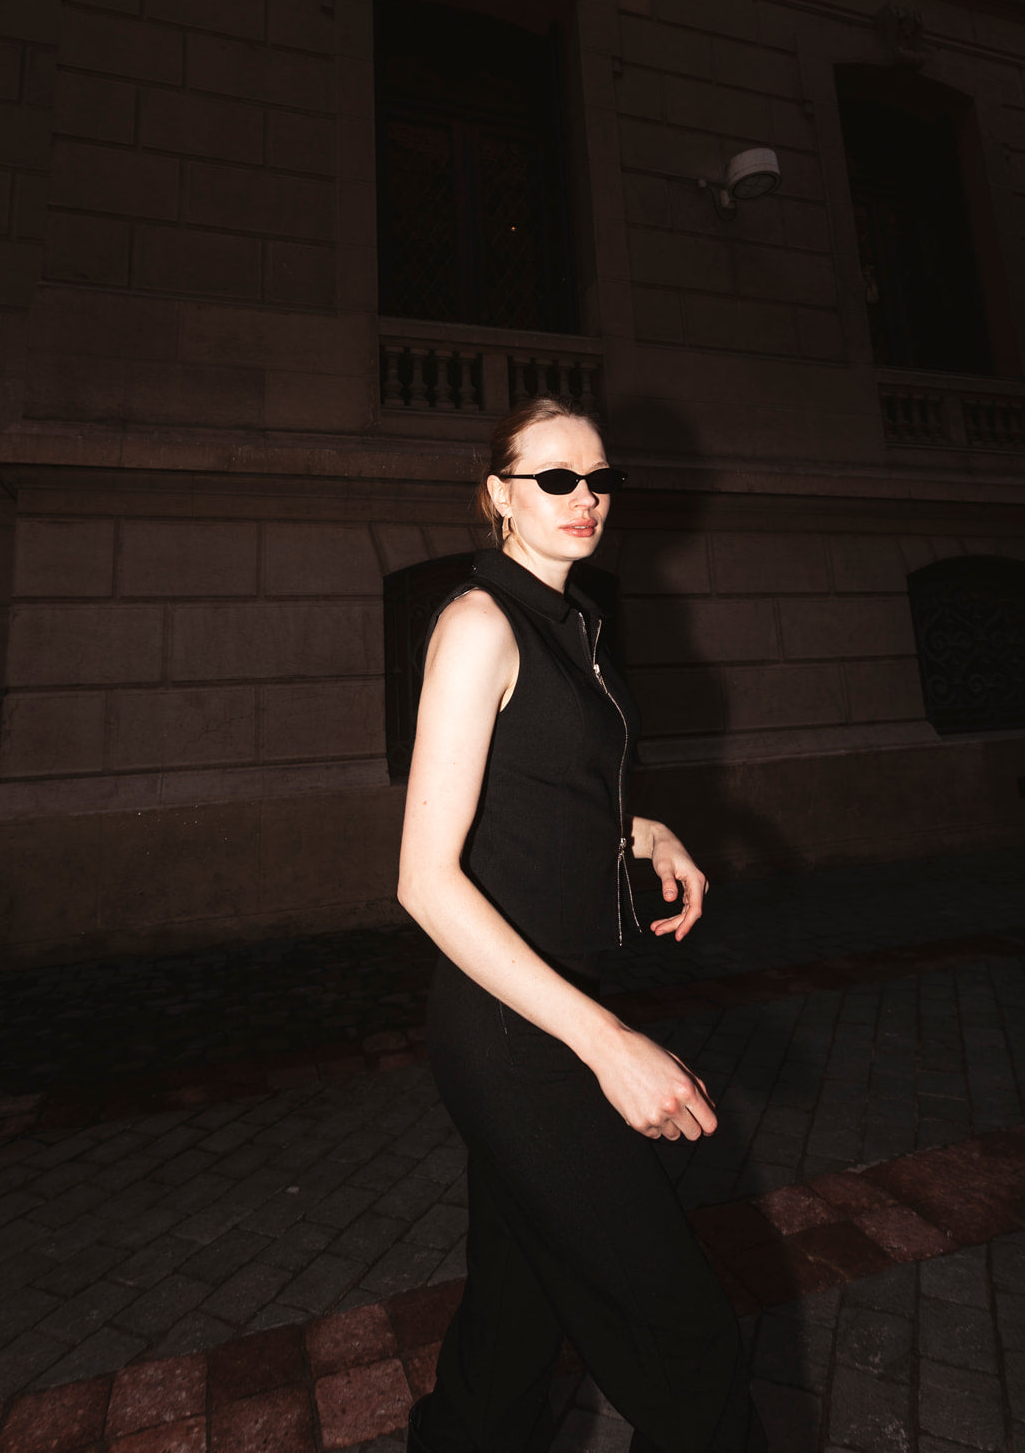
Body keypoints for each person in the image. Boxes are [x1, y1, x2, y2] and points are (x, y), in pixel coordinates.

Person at [397, 396, 766, 1453]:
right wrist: (608, 1045)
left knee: (513, 1321)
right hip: (512, 1027)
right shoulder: (480, 623)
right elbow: (424, 880)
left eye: (598, 478)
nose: (584, 497)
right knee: (686, 1340)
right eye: (554, 478)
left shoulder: (576, 621)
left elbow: (544, 784)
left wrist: (641, 831)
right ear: (499, 495)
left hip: (556, 995)